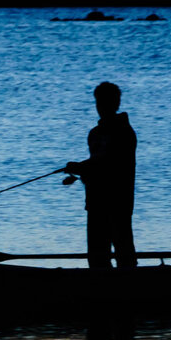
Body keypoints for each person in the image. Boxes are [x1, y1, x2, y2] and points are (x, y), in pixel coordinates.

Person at [64, 82, 137, 268]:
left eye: (106, 102)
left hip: (118, 201)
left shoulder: (125, 133)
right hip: (95, 202)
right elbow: (97, 164)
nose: (101, 107)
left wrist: (81, 168)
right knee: (97, 256)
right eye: (98, 102)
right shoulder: (94, 134)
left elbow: (110, 164)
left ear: (116, 104)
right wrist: (81, 172)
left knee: (124, 251)